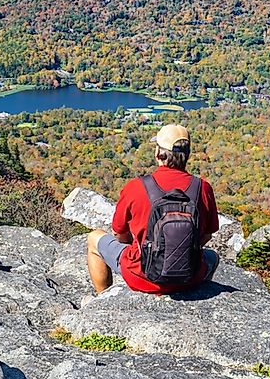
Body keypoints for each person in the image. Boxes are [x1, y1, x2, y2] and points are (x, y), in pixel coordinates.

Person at [87, 123, 220, 295]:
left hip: (142, 276)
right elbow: (207, 235)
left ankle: (101, 298)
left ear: (158, 153)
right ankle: (194, 292)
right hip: (189, 277)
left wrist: (142, 249)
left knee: (94, 238)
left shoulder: (136, 187)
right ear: (187, 155)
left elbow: (120, 233)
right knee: (213, 257)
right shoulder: (203, 188)